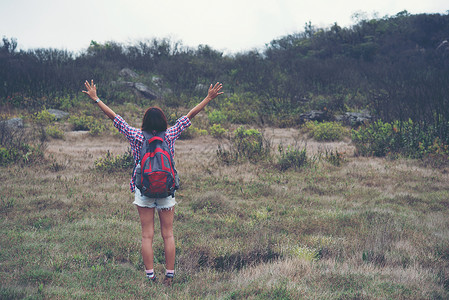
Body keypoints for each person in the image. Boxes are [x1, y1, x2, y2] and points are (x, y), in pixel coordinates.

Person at [82, 79, 223, 286]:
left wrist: (96, 99)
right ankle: (169, 276)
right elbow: (190, 115)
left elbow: (115, 118)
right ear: (164, 121)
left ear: (145, 122)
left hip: (144, 190)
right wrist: (208, 98)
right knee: (168, 234)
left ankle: (150, 276)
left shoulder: (136, 135)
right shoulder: (171, 134)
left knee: (147, 235)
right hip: (166, 191)